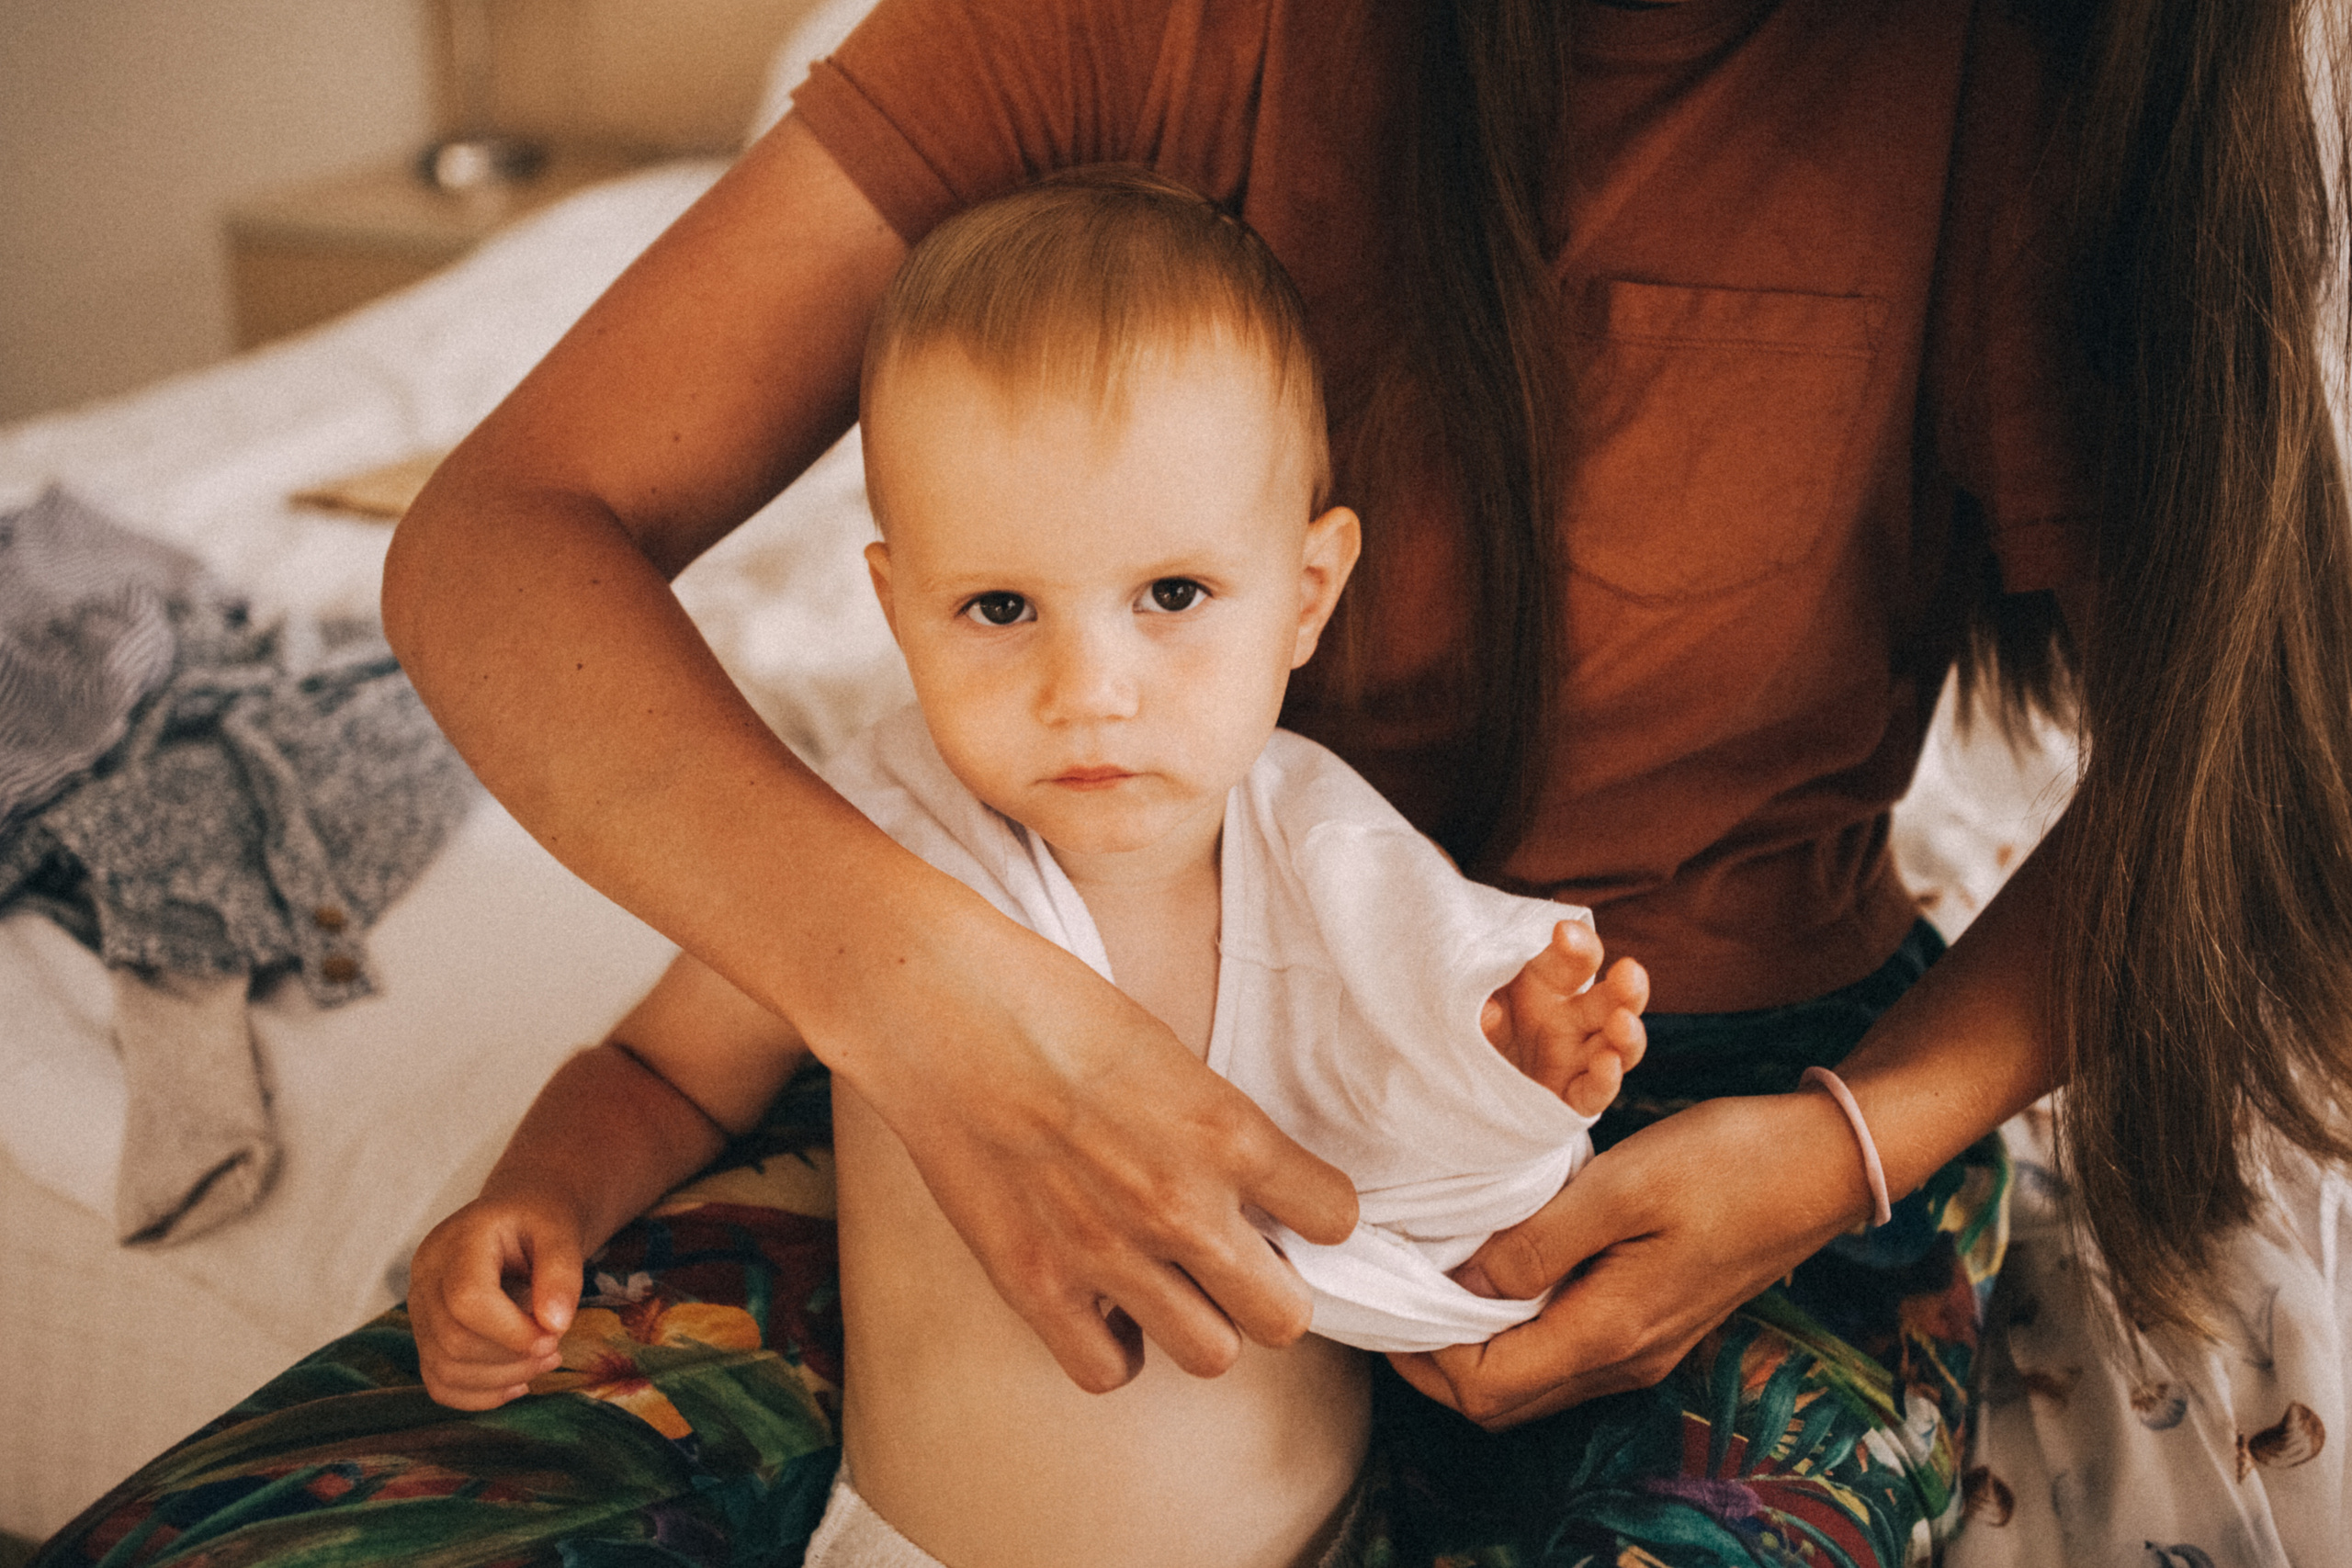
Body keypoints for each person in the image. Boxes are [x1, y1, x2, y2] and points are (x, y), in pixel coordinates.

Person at [33, 2, 2351, 1565]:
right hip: (1029, 1024)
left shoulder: (2024, 88)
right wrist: (943, 1011)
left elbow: (2244, 777)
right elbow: (500, 541)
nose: (1094, 673)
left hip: (1724, 1123)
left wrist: (1849, 1141)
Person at [404, 169, 1650, 1568]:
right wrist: (536, 1198)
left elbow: (1447, 1166)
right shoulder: (867, 853)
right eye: (999, 607)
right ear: (897, 609)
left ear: (1305, 596)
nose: (1090, 689)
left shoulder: (1335, 868)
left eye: (1172, 596)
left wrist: (1514, 1059)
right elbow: (666, 1073)